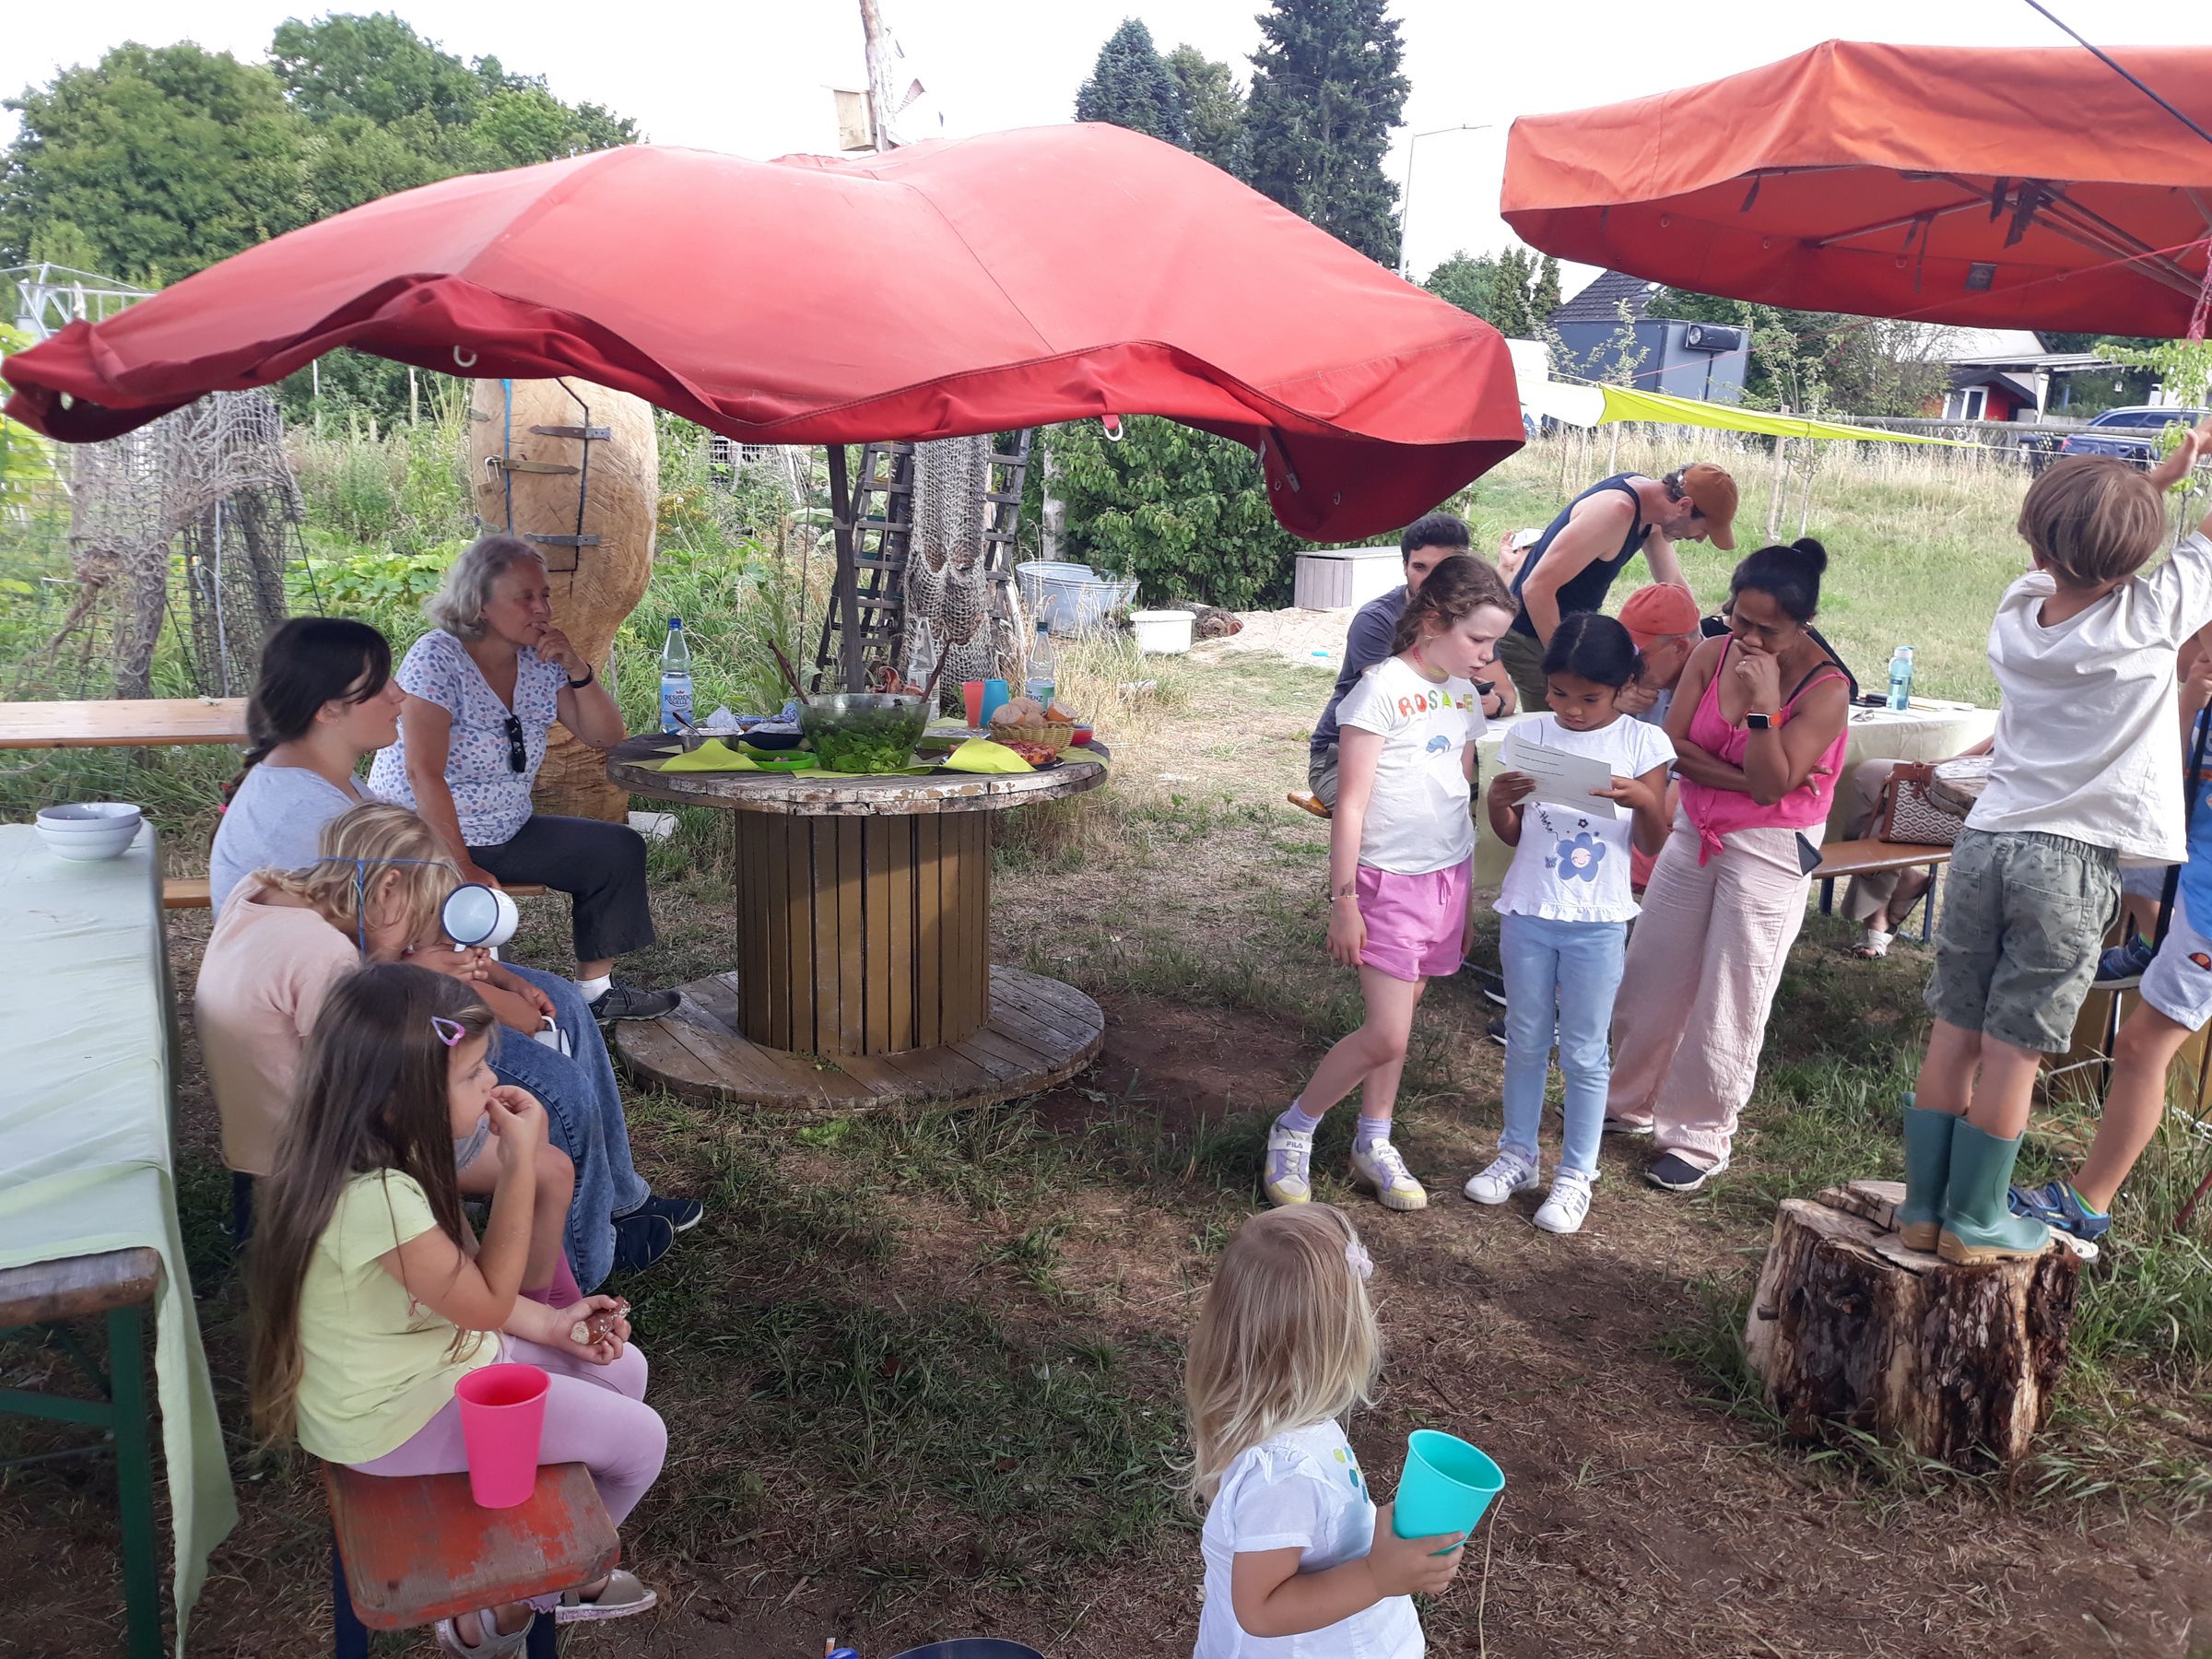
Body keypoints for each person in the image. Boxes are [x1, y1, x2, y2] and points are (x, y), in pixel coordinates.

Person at [247, 965, 663, 1653]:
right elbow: (487, 1300)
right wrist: (521, 1164)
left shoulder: (377, 1155)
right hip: (393, 1420)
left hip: (432, 1364)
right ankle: (531, 1589)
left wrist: (556, 1326)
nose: (492, 1087)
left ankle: (526, 1554)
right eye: (471, 1077)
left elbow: (465, 1292)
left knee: (626, 1373)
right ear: (398, 1099)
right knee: (643, 1442)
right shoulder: (378, 1201)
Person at [1898, 431, 2212, 1265]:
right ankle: (1977, 1221)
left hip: (1985, 842)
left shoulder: (2017, 606)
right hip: (2069, 865)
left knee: (1955, 1028)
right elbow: (2204, 541)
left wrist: (2152, 478)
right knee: (2015, 1048)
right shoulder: (2152, 617)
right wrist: (2184, 479)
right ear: (2139, 556)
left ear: (2036, 545)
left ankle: (1922, 1207)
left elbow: (2080, 539)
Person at [196, 802, 689, 1285]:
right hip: (325, 1149)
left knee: (539, 1079)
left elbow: (351, 991)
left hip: (286, 1120)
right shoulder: (322, 959)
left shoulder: (265, 890)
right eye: (420, 919)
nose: (423, 938)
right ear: (388, 884)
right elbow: (389, 1070)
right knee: (546, 1162)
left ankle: (590, 1224)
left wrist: (434, 965)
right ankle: (572, 1275)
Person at [1265, 558, 1517, 1213]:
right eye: (1478, 641)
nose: (1487, 658)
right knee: (1389, 1034)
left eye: (1495, 645)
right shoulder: (1378, 689)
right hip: (1384, 883)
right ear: (1434, 622)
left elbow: (1458, 791)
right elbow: (1349, 804)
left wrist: (1463, 898)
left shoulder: (1463, 693)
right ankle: (1294, 1128)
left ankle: (1373, 1140)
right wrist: (1344, 900)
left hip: (1446, 879)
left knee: (1400, 1024)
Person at [1605, 540, 1852, 1193]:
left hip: (1772, 847)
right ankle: (1627, 1100)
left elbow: (1773, 788)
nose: (1745, 636)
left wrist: (1765, 708)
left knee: (1732, 991)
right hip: (1697, 825)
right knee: (1653, 968)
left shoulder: (1828, 691)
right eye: (1738, 618)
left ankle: (1699, 1134)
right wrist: (1746, 774)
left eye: (1764, 629)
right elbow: (1674, 747)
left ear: (1802, 623)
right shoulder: (1712, 654)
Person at [370, 535, 676, 1022]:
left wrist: (578, 669)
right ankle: (464, 1009)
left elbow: (606, 735)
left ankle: (596, 992)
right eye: (525, 597)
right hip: (420, 835)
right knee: (468, 906)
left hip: (505, 828)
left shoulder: (541, 660)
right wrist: (460, 863)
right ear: (481, 605)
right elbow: (421, 771)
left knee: (616, 849)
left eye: (545, 595)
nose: (542, 609)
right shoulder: (437, 658)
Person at [1464, 615, 1676, 1234]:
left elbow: (1655, 841)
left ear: (1625, 687)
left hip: (1597, 920)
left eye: (1589, 698)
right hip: (1529, 907)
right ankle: (1517, 1155)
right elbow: (1514, 834)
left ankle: (1577, 1173)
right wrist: (1499, 802)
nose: (1572, 710)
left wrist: (1644, 800)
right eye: (1559, 693)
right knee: (1526, 1038)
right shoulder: (1529, 733)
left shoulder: (1643, 745)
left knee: (1584, 1049)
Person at [1184, 1205, 1465, 1658]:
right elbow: (1260, 1611)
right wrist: (1378, 1575)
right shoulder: (1284, 1474)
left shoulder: (1297, 1428)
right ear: (1345, 1336)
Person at [2013, 632, 2212, 1249]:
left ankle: (2087, 1202)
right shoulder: (2202, 696)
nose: (2196, 648)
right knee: (2113, 855)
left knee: (2139, 1048)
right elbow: (2161, 783)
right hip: (2186, 866)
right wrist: (2186, 704)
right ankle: (2153, 942)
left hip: (2208, 912)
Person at [1494, 465, 1739, 711]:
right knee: (1570, 726)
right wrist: (1575, 672)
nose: (1699, 539)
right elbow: (1536, 590)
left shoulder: (1653, 508)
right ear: (1684, 506)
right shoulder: (1616, 512)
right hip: (1533, 633)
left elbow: (1673, 579)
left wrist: (1700, 644)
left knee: (1598, 713)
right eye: (1704, 530)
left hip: (1573, 629)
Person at [1306, 514, 1509, 810]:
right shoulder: (1376, 620)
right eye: (1420, 567)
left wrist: (1492, 703)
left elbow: (1506, 695)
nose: (1431, 580)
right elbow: (1392, 707)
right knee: (1391, 813)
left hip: (1434, 750)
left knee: (1482, 802)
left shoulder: (1474, 622)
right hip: (1341, 754)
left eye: (1444, 568)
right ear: (1404, 567)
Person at [208, 617, 399, 911]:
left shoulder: (312, 776)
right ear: (328, 711)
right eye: (377, 686)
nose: (400, 694)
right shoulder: (309, 813)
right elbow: (365, 937)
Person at [1836, 740, 1994, 959]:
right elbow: (1996, 739)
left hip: (1985, 798)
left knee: (1881, 814)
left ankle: (1878, 915)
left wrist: (1944, 766)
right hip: (1972, 772)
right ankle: (1899, 881)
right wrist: (1939, 765)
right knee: (1869, 780)